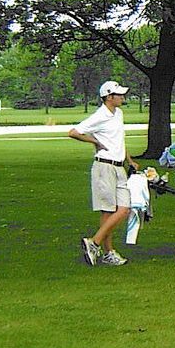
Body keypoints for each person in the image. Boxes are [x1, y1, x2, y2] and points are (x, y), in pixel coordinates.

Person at [69, 80, 140, 266]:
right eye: (119, 95)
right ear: (109, 97)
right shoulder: (100, 115)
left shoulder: (118, 114)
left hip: (118, 167)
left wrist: (129, 160)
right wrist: (95, 141)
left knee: (124, 208)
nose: (123, 97)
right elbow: (74, 132)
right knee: (108, 210)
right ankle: (107, 251)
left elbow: (119, 140)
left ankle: (95, 243)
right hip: (104, 167)